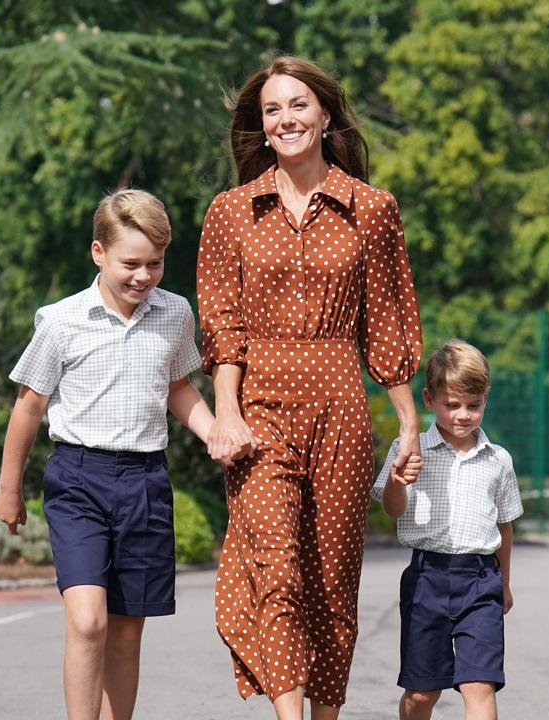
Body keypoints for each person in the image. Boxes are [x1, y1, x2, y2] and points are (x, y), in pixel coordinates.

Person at [197, 55, 424, 720]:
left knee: (330, 584)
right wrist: (226, 415)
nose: (287, 118)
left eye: (299, 105)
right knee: (276, 572)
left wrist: (407, 423)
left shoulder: (373, 210)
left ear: (325, 115)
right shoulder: (231, 211)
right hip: (259, 411)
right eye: (273, 109)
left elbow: (386, 320)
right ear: (260, 127)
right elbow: (223, 326)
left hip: (341, 412)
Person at [0, 189, 214, 720]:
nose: (143, 277)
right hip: (79, 479)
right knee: (89, 620)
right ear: (98, 253)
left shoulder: (175, 312)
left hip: (145, 482)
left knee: (126, 632)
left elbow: (178, 386)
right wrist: (8, 488)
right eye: (129, 264)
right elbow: (28, 407)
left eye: (154, 264)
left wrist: (214, 432)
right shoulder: (62, 321)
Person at [371, 339, 522, 720]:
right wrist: (397, 480)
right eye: (451, 405)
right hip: (427, 579)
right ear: (428, 399)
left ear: (486, 398)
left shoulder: (498, 460)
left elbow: (504, 527)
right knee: (422, 694)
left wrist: (503, 583)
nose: (463, 415)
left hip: (480, 581)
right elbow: (392, 510)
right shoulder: (409, 448)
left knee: (480, 686)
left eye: (474, 405)